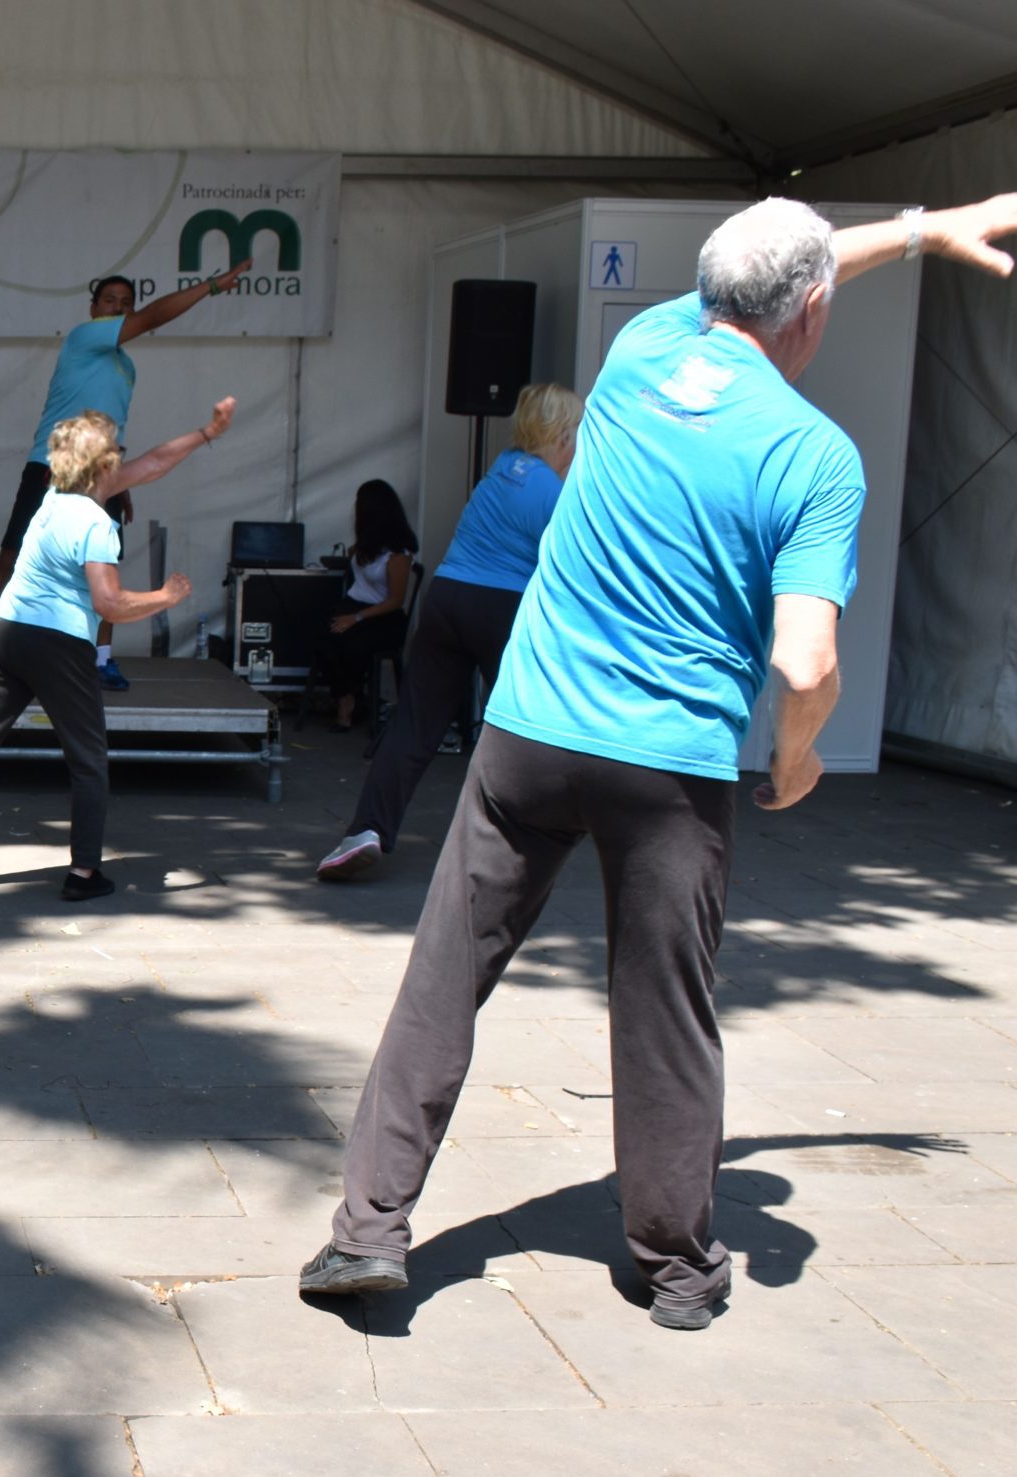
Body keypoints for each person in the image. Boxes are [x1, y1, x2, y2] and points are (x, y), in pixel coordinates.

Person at [298, 193, 1017, 1331]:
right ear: (814, 311)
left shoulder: (641, 349)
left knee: (443, 980)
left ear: (715, 288)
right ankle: (675, 1270)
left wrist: (921, 228)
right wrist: (799, 754)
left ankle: (365, 1235)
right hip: (671, 773)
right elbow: (804, 656)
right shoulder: (814, 456)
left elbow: (784, 270)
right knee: (664, 1015)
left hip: (528, 737)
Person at [0, 398, 232, 902]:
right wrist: (165, 598)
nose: (129, 457)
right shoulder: (97, 523)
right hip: (58, 642)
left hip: (9, 628)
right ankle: (83, 875)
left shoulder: (54, 499)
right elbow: (110, 603)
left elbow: (154, 463)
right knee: (88, 759)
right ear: (104, 464)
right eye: (119, 450)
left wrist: (206, 433)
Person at [317, 383, 583, 881]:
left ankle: (366, 829)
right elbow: (577, 567)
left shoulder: (502, 468)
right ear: (566, 433)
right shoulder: (553, 493)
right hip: (499, 607)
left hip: (446, 599)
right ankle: (516, 841)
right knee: (521, 727)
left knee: (414, 726)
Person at [0, 262, 251, 694]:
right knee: (11, 558)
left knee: (103, 567)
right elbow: (155, 318)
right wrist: (215, 285)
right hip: (48, 466)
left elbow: (115, 430)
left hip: (99, 476)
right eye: (110, 301)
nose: (118, 308)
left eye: (126, 304)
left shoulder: (127, 367)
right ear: (93, 308)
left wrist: (117, 482)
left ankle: (102, 659)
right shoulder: (84, 338)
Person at [318, 479, 418, 734]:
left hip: (384, 616)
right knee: (323, 635)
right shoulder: (368, 544)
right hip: (356, 606)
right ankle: (347, 696)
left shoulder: (399, 553)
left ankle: (349, 702)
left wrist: (357, 617)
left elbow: (396, 600)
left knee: (351, 642)